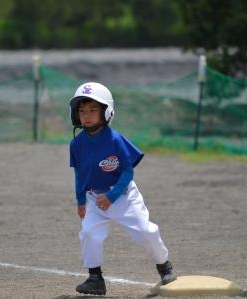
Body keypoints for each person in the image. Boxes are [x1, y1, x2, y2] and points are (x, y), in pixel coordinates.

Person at [68, 82, 176, 295]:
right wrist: (81, 200)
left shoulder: (115, 139)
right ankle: (95, 278)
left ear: (107, 112)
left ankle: (164, 266)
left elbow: (128, 172)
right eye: (82, 111)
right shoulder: (76, 144)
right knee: (89, 233)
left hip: (123, 195)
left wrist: (112, 195)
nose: (86, 116)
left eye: (93, 110)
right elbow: (80, 175)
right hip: (94, 198)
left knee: (145, 231)